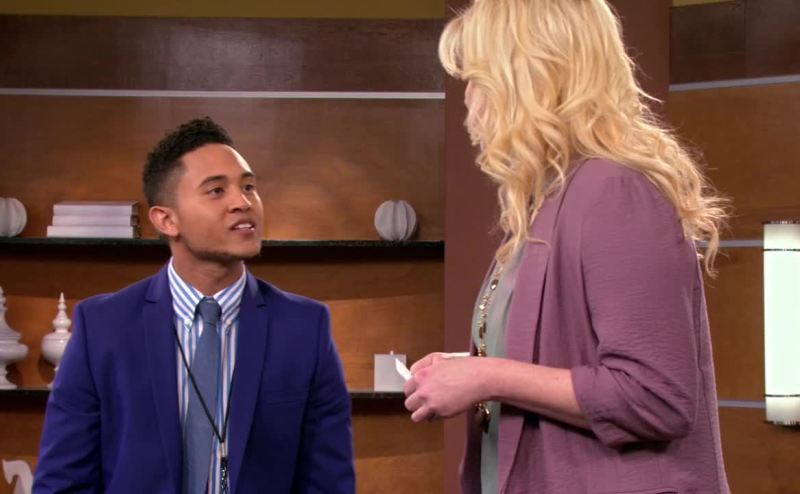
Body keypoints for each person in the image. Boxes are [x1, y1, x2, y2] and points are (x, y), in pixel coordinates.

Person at [403, 1, 730, 493]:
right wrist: (467, 369)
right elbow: (563, 352)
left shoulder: (614, 191)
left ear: (528, 76)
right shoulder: (551, 198)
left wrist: (486, 376)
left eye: (476, 77)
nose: (467, 96)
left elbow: (656, 395)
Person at [34, 118, 355, 493]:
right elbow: (63, 481)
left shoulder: (305, 328)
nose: (242, 202)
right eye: (217, 190)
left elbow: (328, 483)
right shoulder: (103, 327)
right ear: (167, 220)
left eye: (248, 187)